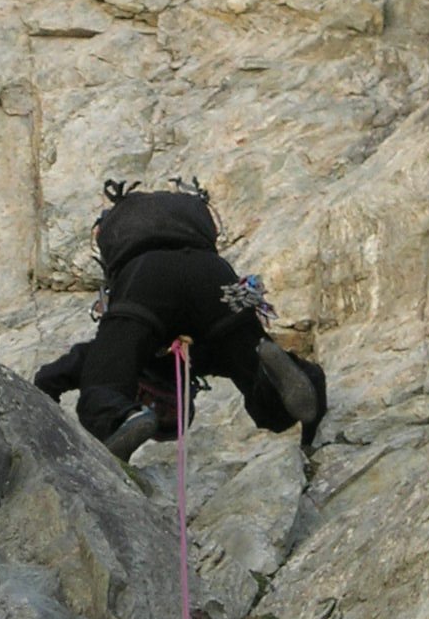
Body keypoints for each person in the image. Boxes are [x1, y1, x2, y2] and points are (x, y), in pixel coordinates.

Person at [33, 179, 327, 463]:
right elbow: (48, 380)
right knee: (254, 373)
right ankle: (273, 376)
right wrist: (309, 440)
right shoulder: (200, 359)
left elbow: (46, 379)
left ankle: (119, 417)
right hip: (211, 273)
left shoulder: (135, 358)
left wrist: (44, 440)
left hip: (145, 278)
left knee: (103, 386)